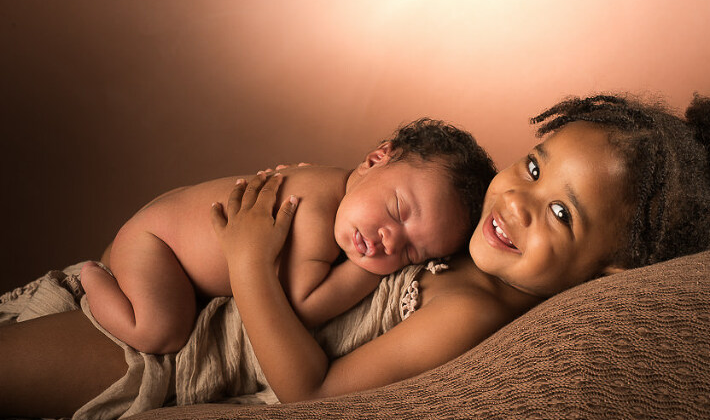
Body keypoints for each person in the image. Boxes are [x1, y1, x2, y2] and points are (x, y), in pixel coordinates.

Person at [0, 91, 710, 420]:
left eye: (560, 214)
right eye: (532, 168)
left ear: (612, 271)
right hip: (180, 296)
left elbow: (314, 394)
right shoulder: (464, 235)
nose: (517, 204)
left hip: (187, 353)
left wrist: (245, 260)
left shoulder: (470, 308)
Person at [79, 118, 498, 354]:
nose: (390, 240)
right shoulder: (314, 211)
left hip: (168, 219)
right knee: (162, 331)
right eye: (397, 212)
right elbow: (303, 306)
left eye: (411, 251)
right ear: (374, 160)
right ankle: (91, 278)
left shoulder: (339, 185)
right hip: (157, 244)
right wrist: (368, 273)